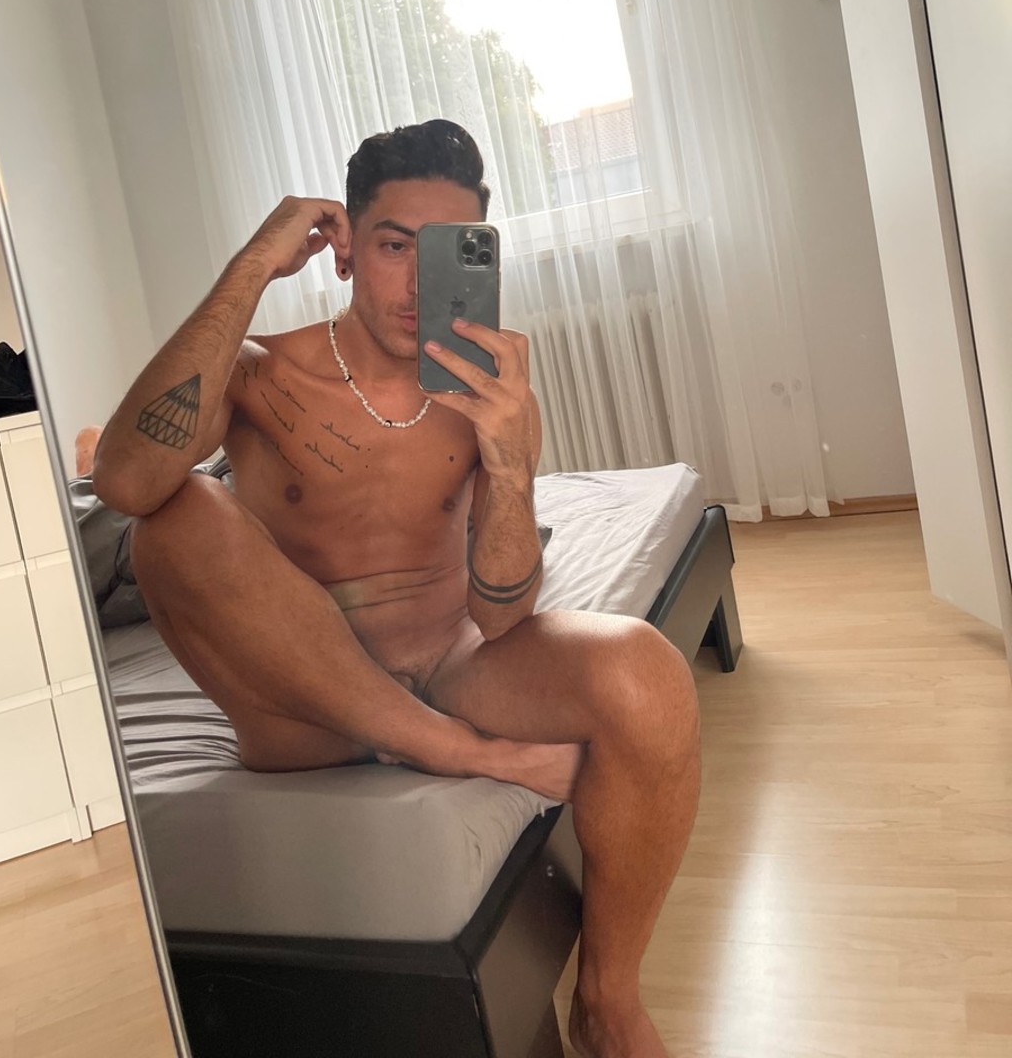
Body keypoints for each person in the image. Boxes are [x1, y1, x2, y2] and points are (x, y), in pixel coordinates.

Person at [93, 118, 700, 1058]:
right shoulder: (260, 374)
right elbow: (127, 480)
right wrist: (252, 266)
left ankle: (606, 1004)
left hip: (452, 658)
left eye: (447, 251)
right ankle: (446, 750)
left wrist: (513, 463)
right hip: (307, 710)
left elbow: (503, 612)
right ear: (342, 252)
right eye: (392, 246)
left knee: (647, 674)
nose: (419, 284)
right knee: (171, 518)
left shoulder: (483, 387)